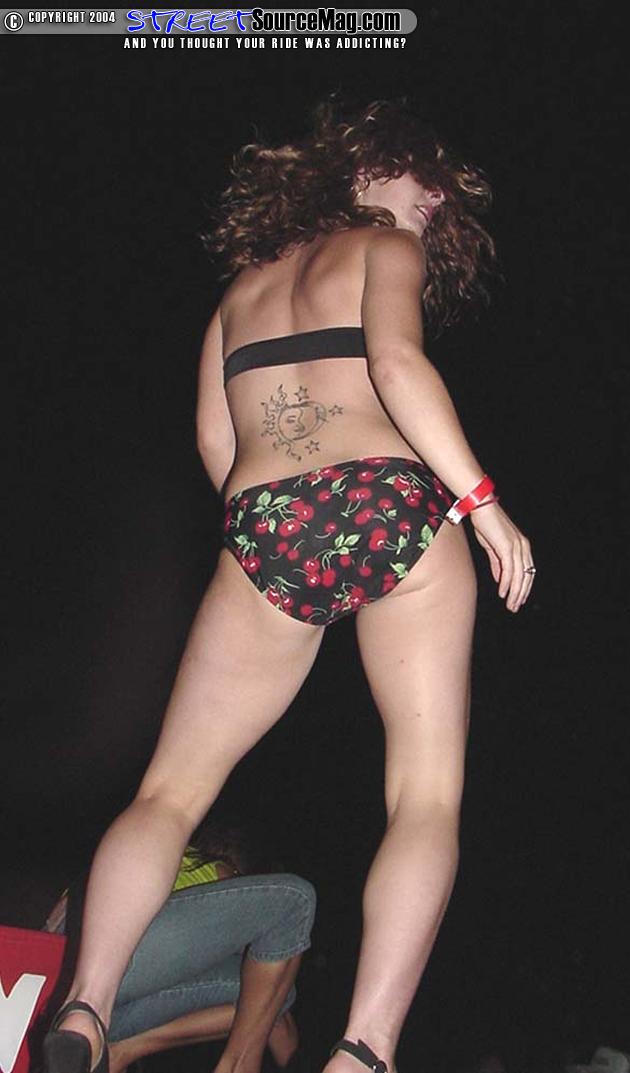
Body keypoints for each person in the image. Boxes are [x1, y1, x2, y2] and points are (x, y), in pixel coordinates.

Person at [42, 95, 535, 1073]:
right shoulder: (382, 247)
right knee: (426, 791)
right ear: (361, 173)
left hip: (267, 520)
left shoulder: (240, 291)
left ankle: (86, 1002)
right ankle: (365, 1046)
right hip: (389, 500)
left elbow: (214, 440)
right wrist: (481, 501)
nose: (433, 203)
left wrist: (275, 529)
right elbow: (396, 363)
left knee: (171, 790)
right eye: (423, 180)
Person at [44, 819, 314, 1073]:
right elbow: (266, 959)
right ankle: (237, 1065)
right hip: (94, 966)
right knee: (293, 902)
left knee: (275, 995)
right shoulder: (216, 870)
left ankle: (118, 1048)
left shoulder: (123, 860)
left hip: (64, 990)